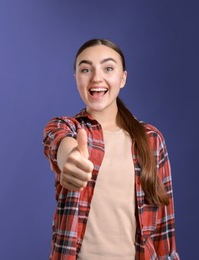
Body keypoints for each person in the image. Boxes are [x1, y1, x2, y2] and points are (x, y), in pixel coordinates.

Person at [43, 39, 179, 260]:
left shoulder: (152, 140)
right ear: (76, 78)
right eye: (86, 69)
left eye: (108, 68)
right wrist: (70, 158)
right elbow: (57, 140)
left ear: (122, 78)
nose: (97, 78)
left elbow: (164, 225)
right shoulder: (66, 127)